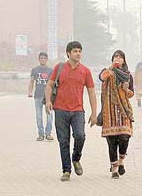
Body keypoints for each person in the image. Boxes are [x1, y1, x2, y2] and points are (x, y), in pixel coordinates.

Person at [44, 40, 97, 182]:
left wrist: (94, 113)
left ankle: (76, 158)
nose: (78, 53)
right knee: (63, 141)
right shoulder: (59, 68)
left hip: (78, 110)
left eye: (80, 51)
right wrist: (48, 101)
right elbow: (49, 85)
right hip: (60, 110)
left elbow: (92, 92)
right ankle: (66, 170)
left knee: (80, 136)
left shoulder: (85, 71)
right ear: (68, 53)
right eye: (75, 51)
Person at [98, 50, 135, 179]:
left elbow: (131, 94)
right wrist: (111, 68)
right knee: (112, 140)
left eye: (120, 57)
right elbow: (102, 78)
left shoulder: (128, 75)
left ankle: (121, 162)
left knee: (125, 137)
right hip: (110, 110)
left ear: (124, 60)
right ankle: (114, 169)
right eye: (115, 57)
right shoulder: (108, 71)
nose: (118, 58)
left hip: (123, 110)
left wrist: (126, 89)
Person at [28, 51, 54, 141]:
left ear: (46, 60)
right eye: (41, 58)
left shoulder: (51, 70)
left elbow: (53, 83)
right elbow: (32, 81)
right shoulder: (35, 70)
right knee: (39, 116)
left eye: (44, 58)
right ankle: (40, 134)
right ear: (39, 60)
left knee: (50, 116)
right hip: (38, 96)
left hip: (48, 97)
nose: (43, 60)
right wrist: (30, 92)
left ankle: (48, 133)